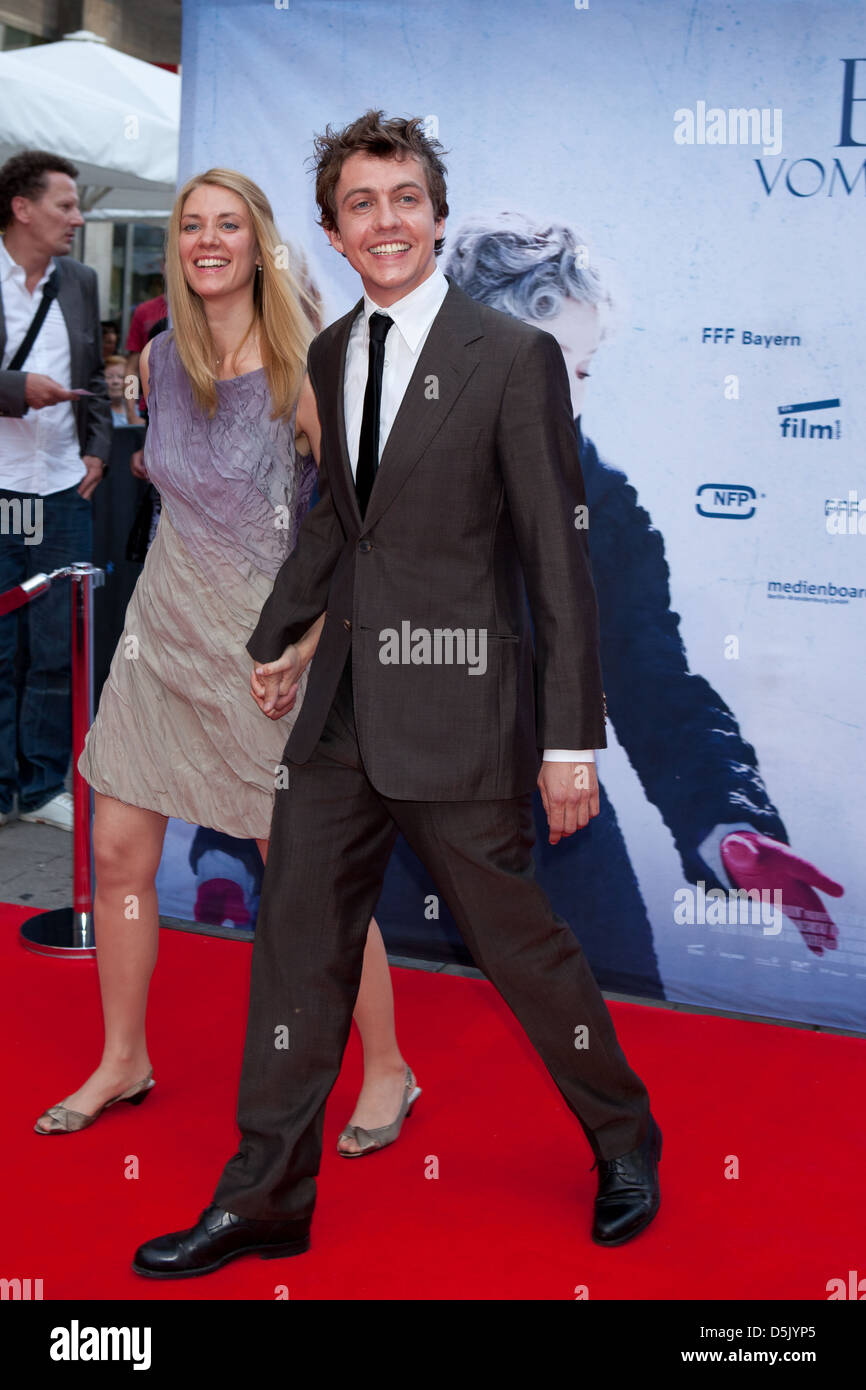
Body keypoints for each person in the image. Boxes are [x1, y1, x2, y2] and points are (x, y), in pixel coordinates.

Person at [133, 111, 662, 1279]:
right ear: (330, 230)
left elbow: (555, 561)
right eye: (361, 204)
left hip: (461, 715)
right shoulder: (328, 356)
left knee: (520, 950)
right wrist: (278, 634)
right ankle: (264, 1192)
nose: (385, 221)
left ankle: (624, 1135)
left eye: (404, 198)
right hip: (337, 717)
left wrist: (570, 739)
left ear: (435, 215)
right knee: (293, 951)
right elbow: (339, 521)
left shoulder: (509, 357)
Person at [34, 168, 417, 1158]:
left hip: (265, 655)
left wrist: (306, 642)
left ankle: (386, 1067)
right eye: (192, 224)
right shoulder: (161, 357)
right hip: (160, 635)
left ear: (258, 244)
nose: (208, 238)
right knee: (117, 851)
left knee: (309, 877)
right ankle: (125, 1057)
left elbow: (363, 524)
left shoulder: (307, 367)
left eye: (227, 224)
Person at [445, 212, 841, 968]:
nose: (568, 391)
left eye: (583, 367)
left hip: (560, 841)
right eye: (545, 359)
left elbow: (654, 682)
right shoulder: (376, 479)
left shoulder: (606, 505)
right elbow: (310, 677)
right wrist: (231, 847)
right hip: (403, 852)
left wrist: (730, 824)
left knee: (614, 1043)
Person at [0, 150, 111, 834]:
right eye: (65, 206)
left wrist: (98, 448)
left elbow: (95, 377)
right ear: (22, 207)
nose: (78, 217)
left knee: (55, 647)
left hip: (64, 488)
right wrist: (18, 391)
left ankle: (42, 787)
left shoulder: (80, 280)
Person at [104, 353, 137, 427]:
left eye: (121, 377)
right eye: (109, 377)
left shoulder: (139, 412)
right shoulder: (97, 413)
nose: (115, 381)